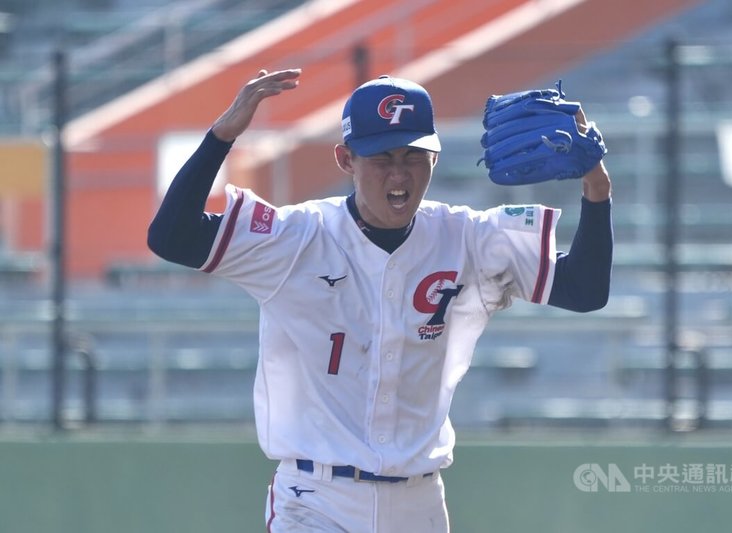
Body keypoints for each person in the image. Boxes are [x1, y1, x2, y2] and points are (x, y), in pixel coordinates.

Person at [147, 68, 612, 532]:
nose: (399, 173)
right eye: (381, 156)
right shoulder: (297, 237)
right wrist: (222, 136)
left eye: (413, 156)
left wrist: (597, 189)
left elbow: (584, 289)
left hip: (419, 503)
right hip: (315, 499)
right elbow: (172, 237)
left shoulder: (468, 238)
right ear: (345, 159)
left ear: (435, 158)